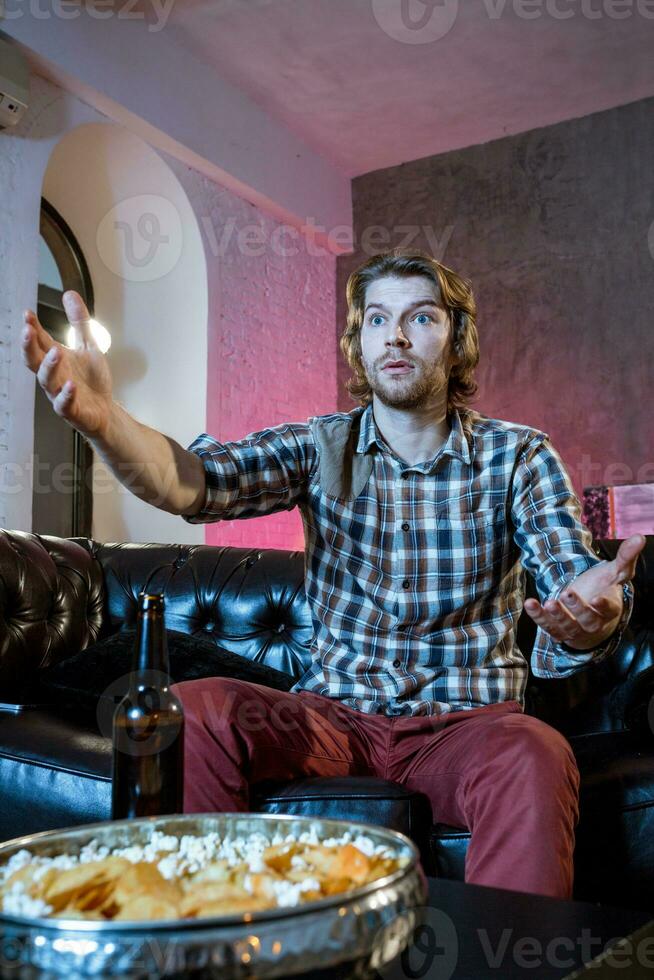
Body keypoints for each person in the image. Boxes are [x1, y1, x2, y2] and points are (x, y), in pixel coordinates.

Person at [21, 248, 644, 899]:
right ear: (360, 342)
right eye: (377, 319)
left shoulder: (518, 455)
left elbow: (573, 579)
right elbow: (194, 483)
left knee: (535, 752)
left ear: (458, 341)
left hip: (469, 726)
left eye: (421, 318)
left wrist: (589, 619)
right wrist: (104, 422)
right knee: (193, 714)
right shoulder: (322, 446)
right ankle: (212, 938)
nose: (395, 335)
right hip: (330, 720)